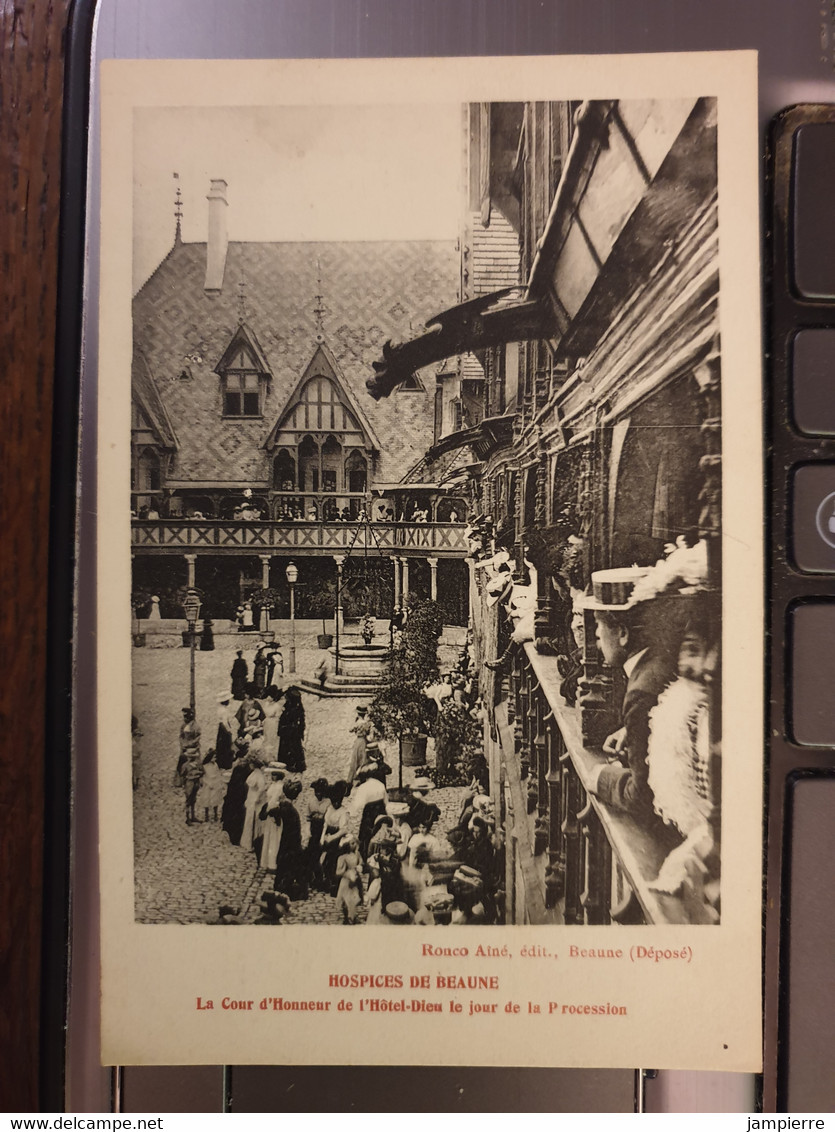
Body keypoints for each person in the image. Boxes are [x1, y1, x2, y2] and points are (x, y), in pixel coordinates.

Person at [584, 570, 677, 819]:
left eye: (599, 624)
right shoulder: (661, 662)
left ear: (623, 633)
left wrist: (602, 778)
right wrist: (630, 730)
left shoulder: (640, 693)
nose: (596, 634)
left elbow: (640, 796)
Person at [273, 778, 307, 900]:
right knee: (292, 865)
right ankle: (289, 889)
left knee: (283, 864)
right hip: (292, 842)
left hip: (285, 840)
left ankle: (280, 887)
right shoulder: (291, 810)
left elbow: (274, 813)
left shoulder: (283, 807)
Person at [320, 781, 351, 895]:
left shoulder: (343, 812)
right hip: (328, 836)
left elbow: (343, 830)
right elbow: (325, 823)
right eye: (334, 801)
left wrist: (332, 838)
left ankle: (335, 885)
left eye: (338, 801)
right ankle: (326, 881)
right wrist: (323, 837)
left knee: (335, 862)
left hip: (338, 838)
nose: (336, 803)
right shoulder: (329, 809)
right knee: (325, 861)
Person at [259, 764, 287, 872]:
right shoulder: (273, 785)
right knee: (269, 837)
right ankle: (267, 862)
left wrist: (269, 810)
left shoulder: (280, 787)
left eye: (274, 774)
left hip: (275, 815)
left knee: (275, 839)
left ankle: (273, 863)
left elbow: (275, 801)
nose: (272, 776)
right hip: (270, 815)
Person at [335, 834, 363, 924]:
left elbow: (361, 862)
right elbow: (338, 872)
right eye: (352, 843)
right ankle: (347, 917)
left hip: (355, 880)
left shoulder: (357, 854)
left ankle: (352, 916)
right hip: (346, 882)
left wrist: (360, 866)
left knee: (354, 899)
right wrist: (347, 873)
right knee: (346, 900)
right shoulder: (342, 858)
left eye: (355, 843)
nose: (355, 845)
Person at [277, 686, 306, 772]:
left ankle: (291, 764)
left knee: (291, 747)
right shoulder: (292, 706)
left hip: (290, 732)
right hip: (290, 731)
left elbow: (289, 720)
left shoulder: (293, 709)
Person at [175, 707, 201, 786]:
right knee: (182, 763)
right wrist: (182, 744)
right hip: (184, 747)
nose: (184, 718)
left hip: (193, 748)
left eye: (186, 717)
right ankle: (180, 780)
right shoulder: (183, 725)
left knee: (194, 764)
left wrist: (190, 744)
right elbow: (181, 736)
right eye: (184, 717)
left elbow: (198, 737)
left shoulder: (195, 726)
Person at [198, 747, 225, 823]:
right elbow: (204, 776)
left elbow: (217, 774)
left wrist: (220, 782)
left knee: (215, 799)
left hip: (215, 783)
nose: (215, 759)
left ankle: (215, 814)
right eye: (214, 757)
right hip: (208, 784)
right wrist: (208, 783)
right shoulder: (205, 766)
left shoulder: (215, 765)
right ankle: (206, 816)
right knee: (207, 799)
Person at [215, 690, 236, 773]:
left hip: (221, 728)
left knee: (221, 745)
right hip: (224, 728)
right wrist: (229, 731)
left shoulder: (220, 709)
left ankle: (220, 762)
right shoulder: (224, 711)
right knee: (226, 745)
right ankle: (225, 763)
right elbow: (225, 722)